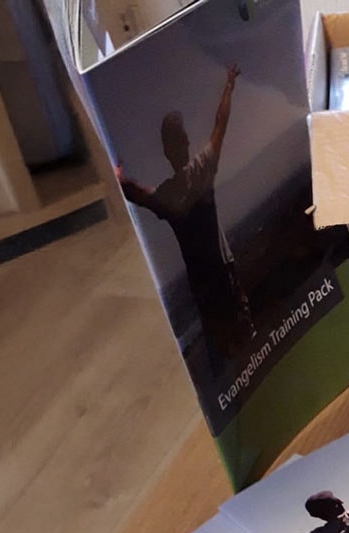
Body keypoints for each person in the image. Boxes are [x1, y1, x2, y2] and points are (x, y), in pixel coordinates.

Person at [116, 64, 254, 376]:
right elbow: (221, 125)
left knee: (221, 343)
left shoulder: (167, 194)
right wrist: (229, 86)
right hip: (221, 273)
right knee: (242, 336)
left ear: (166, 150)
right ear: (187, 141)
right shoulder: (202, 170)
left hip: (203, 284)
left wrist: (120, 178)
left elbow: (134, 193)